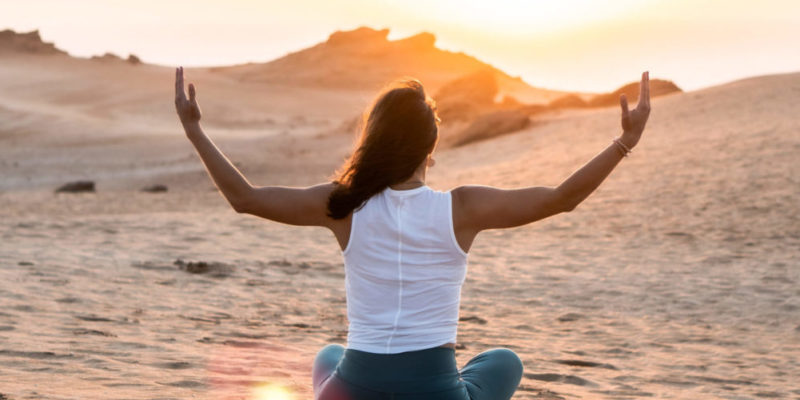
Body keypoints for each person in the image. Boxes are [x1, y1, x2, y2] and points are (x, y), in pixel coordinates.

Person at [174, 67, 651, 399]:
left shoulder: (343, 205)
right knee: (504, 361)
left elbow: (246, 198)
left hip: (354, 389)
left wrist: (195, 131)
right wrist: (624, 142)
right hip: (433, 391)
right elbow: (560, 197)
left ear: (374, 139)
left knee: (328, 354)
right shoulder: (462, 208)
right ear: (431, 147)